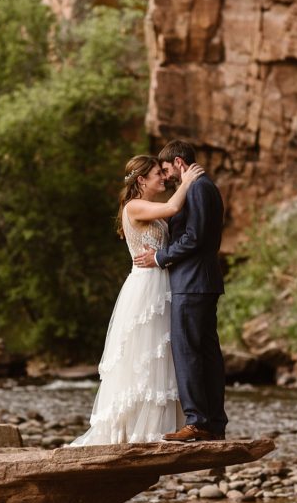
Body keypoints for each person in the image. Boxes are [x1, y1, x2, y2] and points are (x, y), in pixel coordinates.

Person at [70, 153, 204, 445]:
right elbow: (172, 207)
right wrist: (188, 180)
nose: (163, 178)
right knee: (145, 352)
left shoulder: (148, 207)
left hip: (161, 282)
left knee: (161, 351)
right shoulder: (134, 206)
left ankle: (164, 425)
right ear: (142, 180)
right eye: (158, 173)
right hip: (146, 286)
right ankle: (136, 430)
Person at [134, 140, 228, 441]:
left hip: (192, 282)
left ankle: (197, 421)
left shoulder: (198, 187)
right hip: (202, 281)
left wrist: (160, 257)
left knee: (187, 351)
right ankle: (214, 423)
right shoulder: (205, 186)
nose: (165, 176)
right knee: (207, 353)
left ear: (178, 162)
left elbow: (195, 236)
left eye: (165, 169)